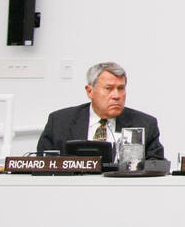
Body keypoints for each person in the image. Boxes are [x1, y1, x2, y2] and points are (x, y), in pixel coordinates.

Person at [36, 62, 165, 159]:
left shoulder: (145, 124)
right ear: (90, 91)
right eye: (109, 88)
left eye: (121, 88)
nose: (116, 96)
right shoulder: (59, 122)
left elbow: (156, 166)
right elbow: (42, 165)